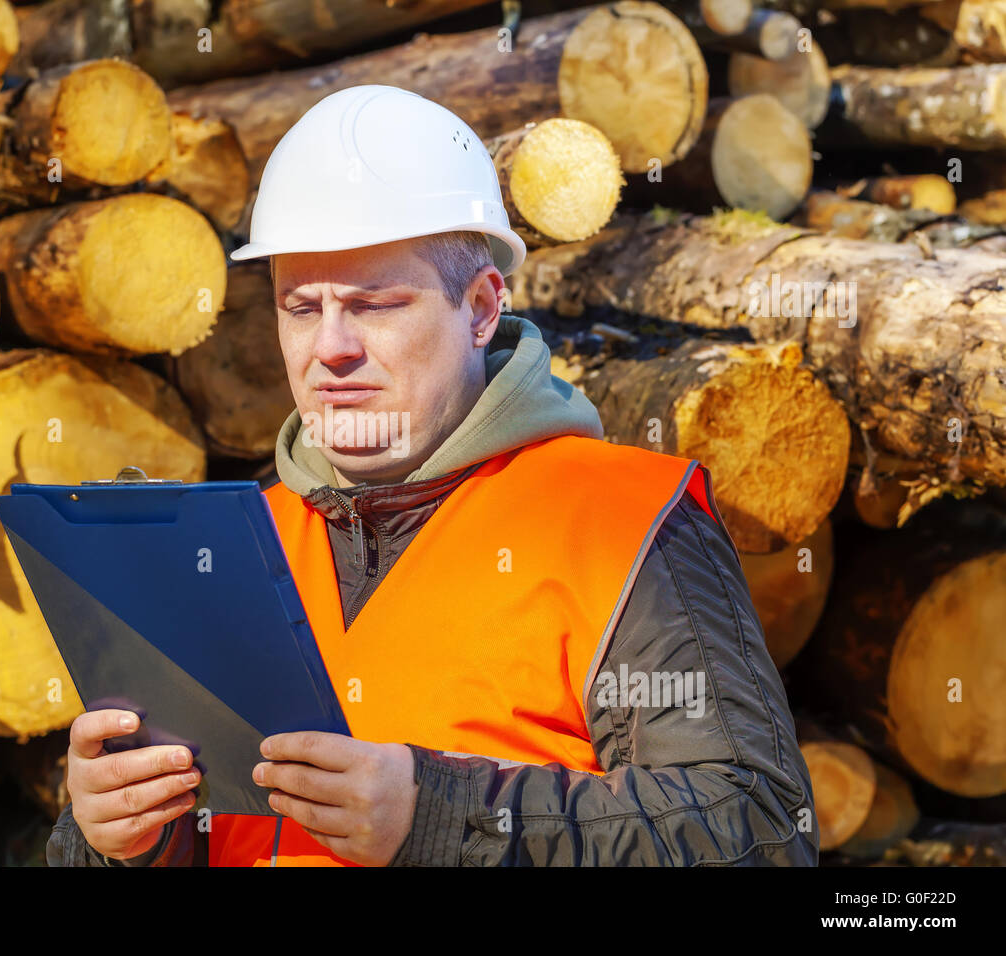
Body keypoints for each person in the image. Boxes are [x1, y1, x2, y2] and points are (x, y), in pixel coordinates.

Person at [47, 85, 818, 867]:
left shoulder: (621, 524)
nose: (331, 348)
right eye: (301, 307)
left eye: (375, 304)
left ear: (481, 309)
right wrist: (116, 838)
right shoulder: (237, 545)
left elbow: (756, 830)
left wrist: (442, 818)